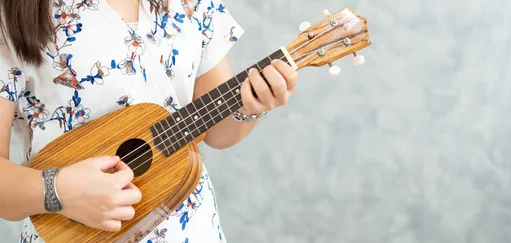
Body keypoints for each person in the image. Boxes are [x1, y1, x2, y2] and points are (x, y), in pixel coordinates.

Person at [0, 0, 298, 242]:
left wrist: (254, 105)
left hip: (191, 229)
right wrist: (58, 191)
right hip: (72, 235)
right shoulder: (12, 13)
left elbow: (217, 133)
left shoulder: (193, 4)